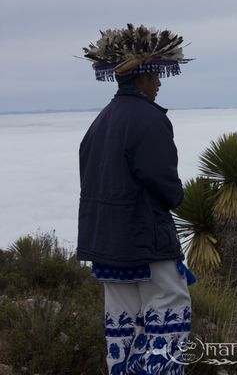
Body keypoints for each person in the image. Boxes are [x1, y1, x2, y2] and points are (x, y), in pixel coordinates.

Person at [77, 24, 195, 374]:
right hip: (146, 242)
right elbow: (166, 186)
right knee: (168, 312)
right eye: (155, 74)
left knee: (123, 323)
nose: (159, 82)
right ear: (142, 76)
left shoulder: (100, 123)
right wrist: (178, 195)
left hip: (106, 244)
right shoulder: (149, 119)